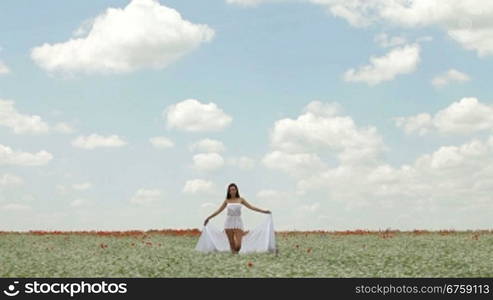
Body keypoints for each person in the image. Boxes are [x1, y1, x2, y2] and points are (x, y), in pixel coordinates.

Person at [203, 183, 271, 254]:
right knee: (232, 245)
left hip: (238, 222)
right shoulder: (227, 200)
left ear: (236, 190)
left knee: (238, 245)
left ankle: (235, 252)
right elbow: (218, 211)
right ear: (229, 191)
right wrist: (208, 218)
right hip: (228, 223)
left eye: (234, 189)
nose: (232, 191)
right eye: (231, 190)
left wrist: (264, 211)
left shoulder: (241, 199)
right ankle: (234, 260)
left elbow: (252, 207)